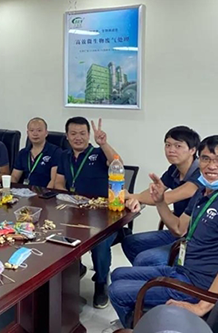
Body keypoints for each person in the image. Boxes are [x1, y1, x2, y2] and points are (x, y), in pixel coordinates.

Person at [108, 135, 218, 328]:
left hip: (197, 285)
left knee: (117, 290)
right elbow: (179, 228)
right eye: (206, 159)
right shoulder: (203, 192)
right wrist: (160, 201)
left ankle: (140, 326)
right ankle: (140, 321)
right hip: (182, 270)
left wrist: (201, 306)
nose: (212, 166)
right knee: (117, 274)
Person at [55, 116, 122, 309]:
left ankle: (101, 283)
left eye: (82, 133)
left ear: (89, 135)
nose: (78, 137)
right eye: (73, 133)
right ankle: (75, 269)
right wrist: (68, 197)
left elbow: (118, 163)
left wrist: (104, 144)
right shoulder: (64, 156)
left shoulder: (98, 153)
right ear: (67, 136)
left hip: (103, 214)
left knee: (99, 243)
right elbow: (59, 182)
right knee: (54, 234)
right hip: (74, 212)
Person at [122, 126, 202, 266]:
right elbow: (156, 191)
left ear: (192, 150)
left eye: (178, 146)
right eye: (168, 145)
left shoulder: (200, 174)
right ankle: (148, 276)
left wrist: (132, 196)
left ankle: (165, 276)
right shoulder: (174, 169)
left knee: (145, 259)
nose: (171, 150)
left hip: (193, 237)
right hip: (175, 231)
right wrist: (134, 197)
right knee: (130, 242)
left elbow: (167, 197)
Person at [11, 117, 62, 188]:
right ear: (27, 133)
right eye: (31, 130)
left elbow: (54, 180)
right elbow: (15, 176)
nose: (35, 134)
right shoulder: (23, 153)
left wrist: (45, 193)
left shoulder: (55, 152)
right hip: (24, 191)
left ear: (46, 133)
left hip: (44, 192)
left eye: (39, 130)